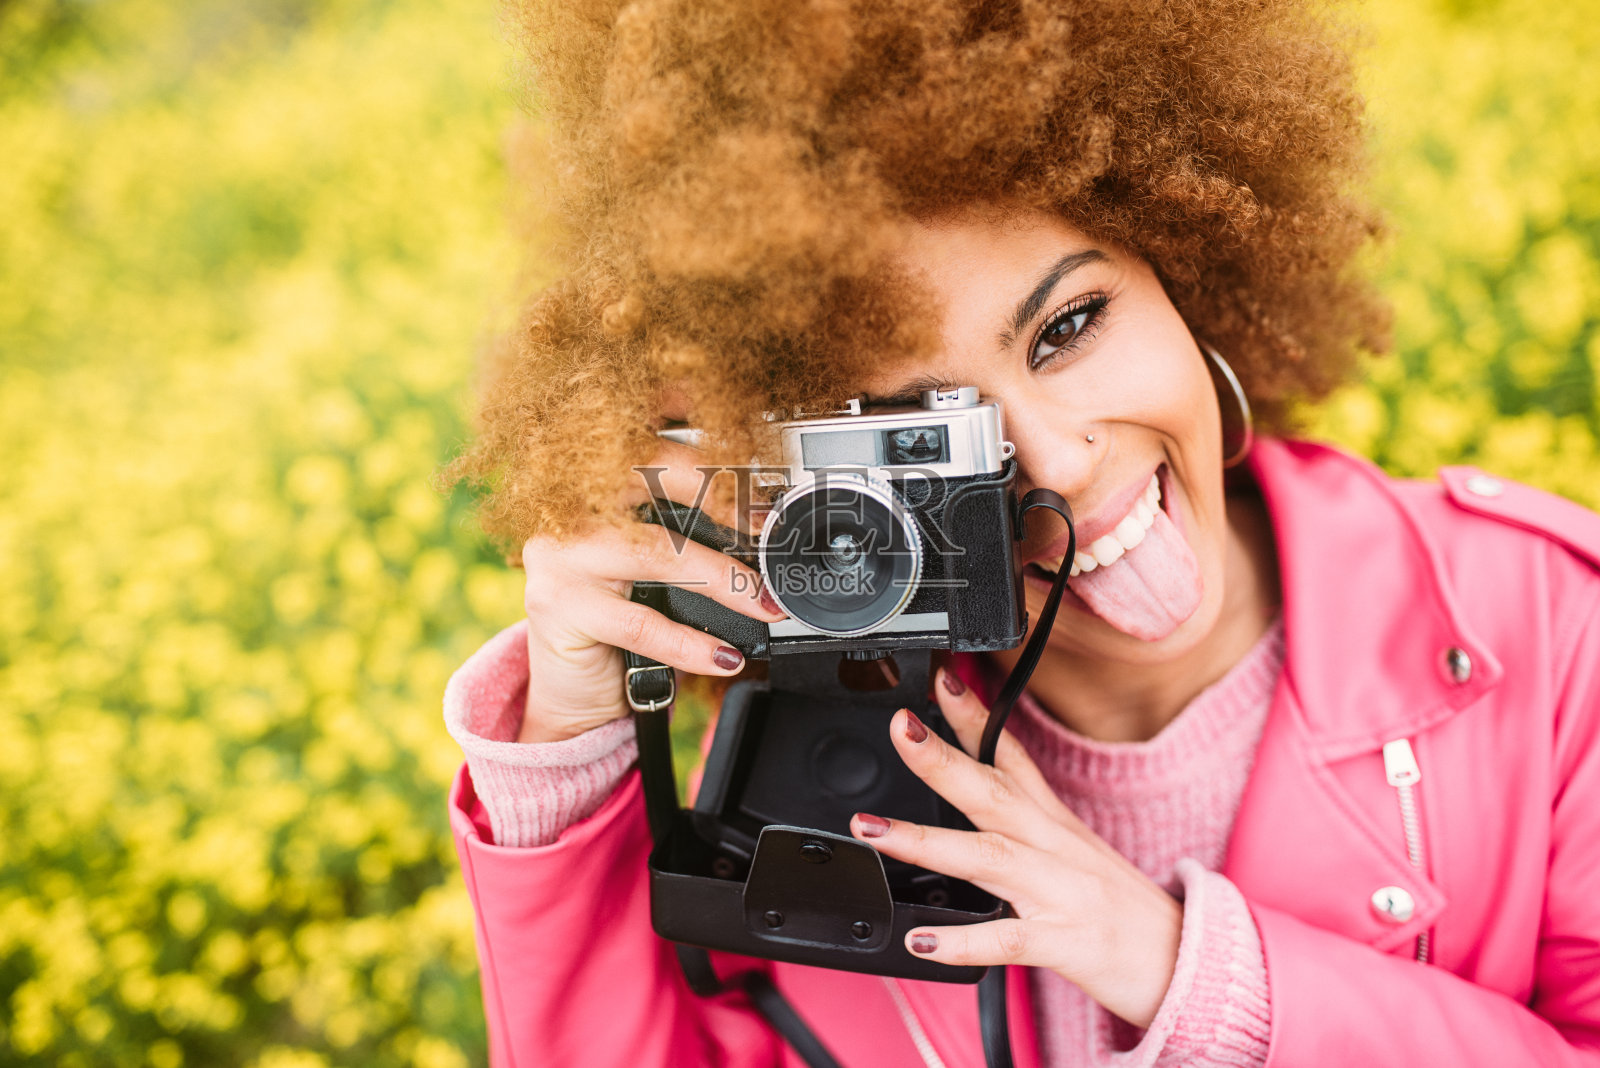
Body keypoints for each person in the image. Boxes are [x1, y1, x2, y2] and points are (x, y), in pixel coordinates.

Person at [442, 0, 1600, 1063]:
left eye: (1069, 325)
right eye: (919, 432)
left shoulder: (1549, 628)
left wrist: (1187, 974)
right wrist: (569, 760)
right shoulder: (819, 762)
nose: (1051, 464)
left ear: (1182, 261)